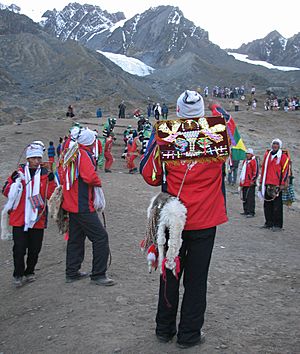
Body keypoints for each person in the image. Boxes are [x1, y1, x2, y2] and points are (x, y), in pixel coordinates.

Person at [140, 90, 228, 349]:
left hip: (172, 218)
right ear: (201, 112)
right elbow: (235, 157)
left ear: (178, 111)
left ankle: (164, 329)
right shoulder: (220, 134)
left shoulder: (164, 137)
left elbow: (149, 174)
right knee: (196, 280)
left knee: (170, 273)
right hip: (205, 219)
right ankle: (189, 334)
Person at [61, 128, 115, 286]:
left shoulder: (74, 152)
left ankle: (72, 272)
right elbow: (89, 177)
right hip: (82, 204)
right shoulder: (83, 155)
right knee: (100, 237)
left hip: (72, 203)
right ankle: (98, 274)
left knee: (76, 239)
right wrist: (98, 183)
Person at [2, 142, 56, 287]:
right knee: (19, 248)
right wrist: (15, 185)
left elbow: (52, 195)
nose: (37, 161)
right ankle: (18, 274)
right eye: (33, 158)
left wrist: (51, 180)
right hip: (19, 218)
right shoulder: (17, 174)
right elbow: (5, 191)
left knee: (35, 248)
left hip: (37, 217)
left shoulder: (46, 174)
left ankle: (30, 271)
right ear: (28, 159)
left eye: (39, 158)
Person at [259, 139, 289, 231]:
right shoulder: (267, 155)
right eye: (274, 144)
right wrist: (261, 182)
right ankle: (269, 222)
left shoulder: (283, 157)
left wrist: (282, 183)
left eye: (276, 144)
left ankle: (277, 224)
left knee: (277, 205)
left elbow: (286, 171)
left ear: (279, 146)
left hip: (277, 184)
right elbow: (264, 168)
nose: (275, 145)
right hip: (267, 182)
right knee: (267, 204)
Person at [239, 148, 258, 217]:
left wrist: (253, 180)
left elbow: (255, 172)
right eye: (246, 154)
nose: (247, 155)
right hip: (244, 182)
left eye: (248, 154)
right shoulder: (245, 161)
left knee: (250, 198)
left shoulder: (254, 161)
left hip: (250, 182)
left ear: (251, 154)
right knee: (245, 197)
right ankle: (246, 210)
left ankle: (251, 212)